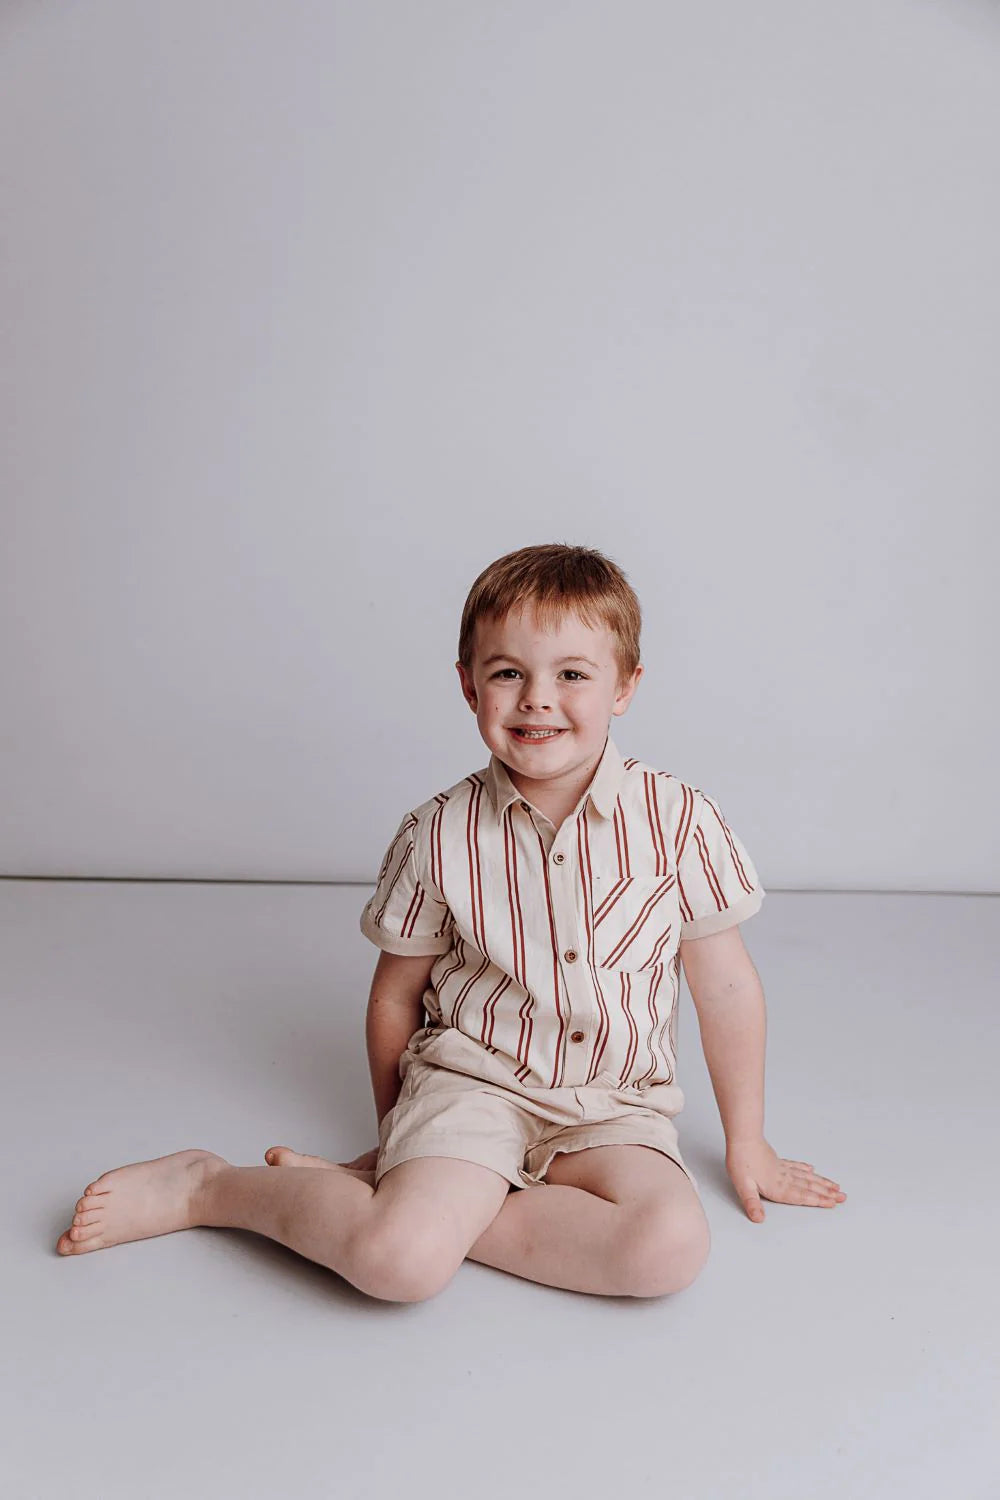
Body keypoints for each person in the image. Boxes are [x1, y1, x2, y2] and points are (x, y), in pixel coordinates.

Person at [56, 543, 845, 1298]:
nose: (538, 697)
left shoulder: (679, 819)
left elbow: (728, 989)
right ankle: (211, 1189)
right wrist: (401, 1135)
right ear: (469, 687)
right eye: (508, 673)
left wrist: (749, 1141)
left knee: (669, 1249)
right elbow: (395, 997)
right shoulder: (437, 834)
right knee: (397, 1263)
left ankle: (404, 1201)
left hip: (616, 1103)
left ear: (625, 687)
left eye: (573, 673)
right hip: (475, 1086)